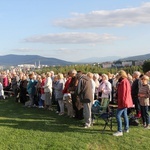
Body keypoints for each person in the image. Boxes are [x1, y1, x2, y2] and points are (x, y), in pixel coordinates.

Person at [113, 70, 133, 136]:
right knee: (124, 115)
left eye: (118, 74)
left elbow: (124, 93)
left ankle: (120, 130)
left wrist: (122, 101)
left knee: (118, 115)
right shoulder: (124, 81)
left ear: (121, 75)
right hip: (124, 101)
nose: (117, 76)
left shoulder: (123, 82)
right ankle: (126, 128)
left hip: (123, 101)